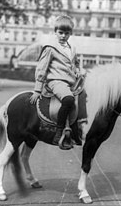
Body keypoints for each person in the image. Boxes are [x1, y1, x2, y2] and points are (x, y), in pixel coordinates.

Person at [30, 15, 80, 149]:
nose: (63, 36)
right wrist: (37, 89)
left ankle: (78, 131)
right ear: (55, 32)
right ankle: (59, 131)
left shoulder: (72, 48)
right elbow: (41, 68)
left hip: (70, 82)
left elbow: (75, 63)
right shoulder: (50, 48)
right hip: (56, 81)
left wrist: (78, 71)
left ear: (71, 33)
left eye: (67, 33)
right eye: (60, 33)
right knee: (68, 99)